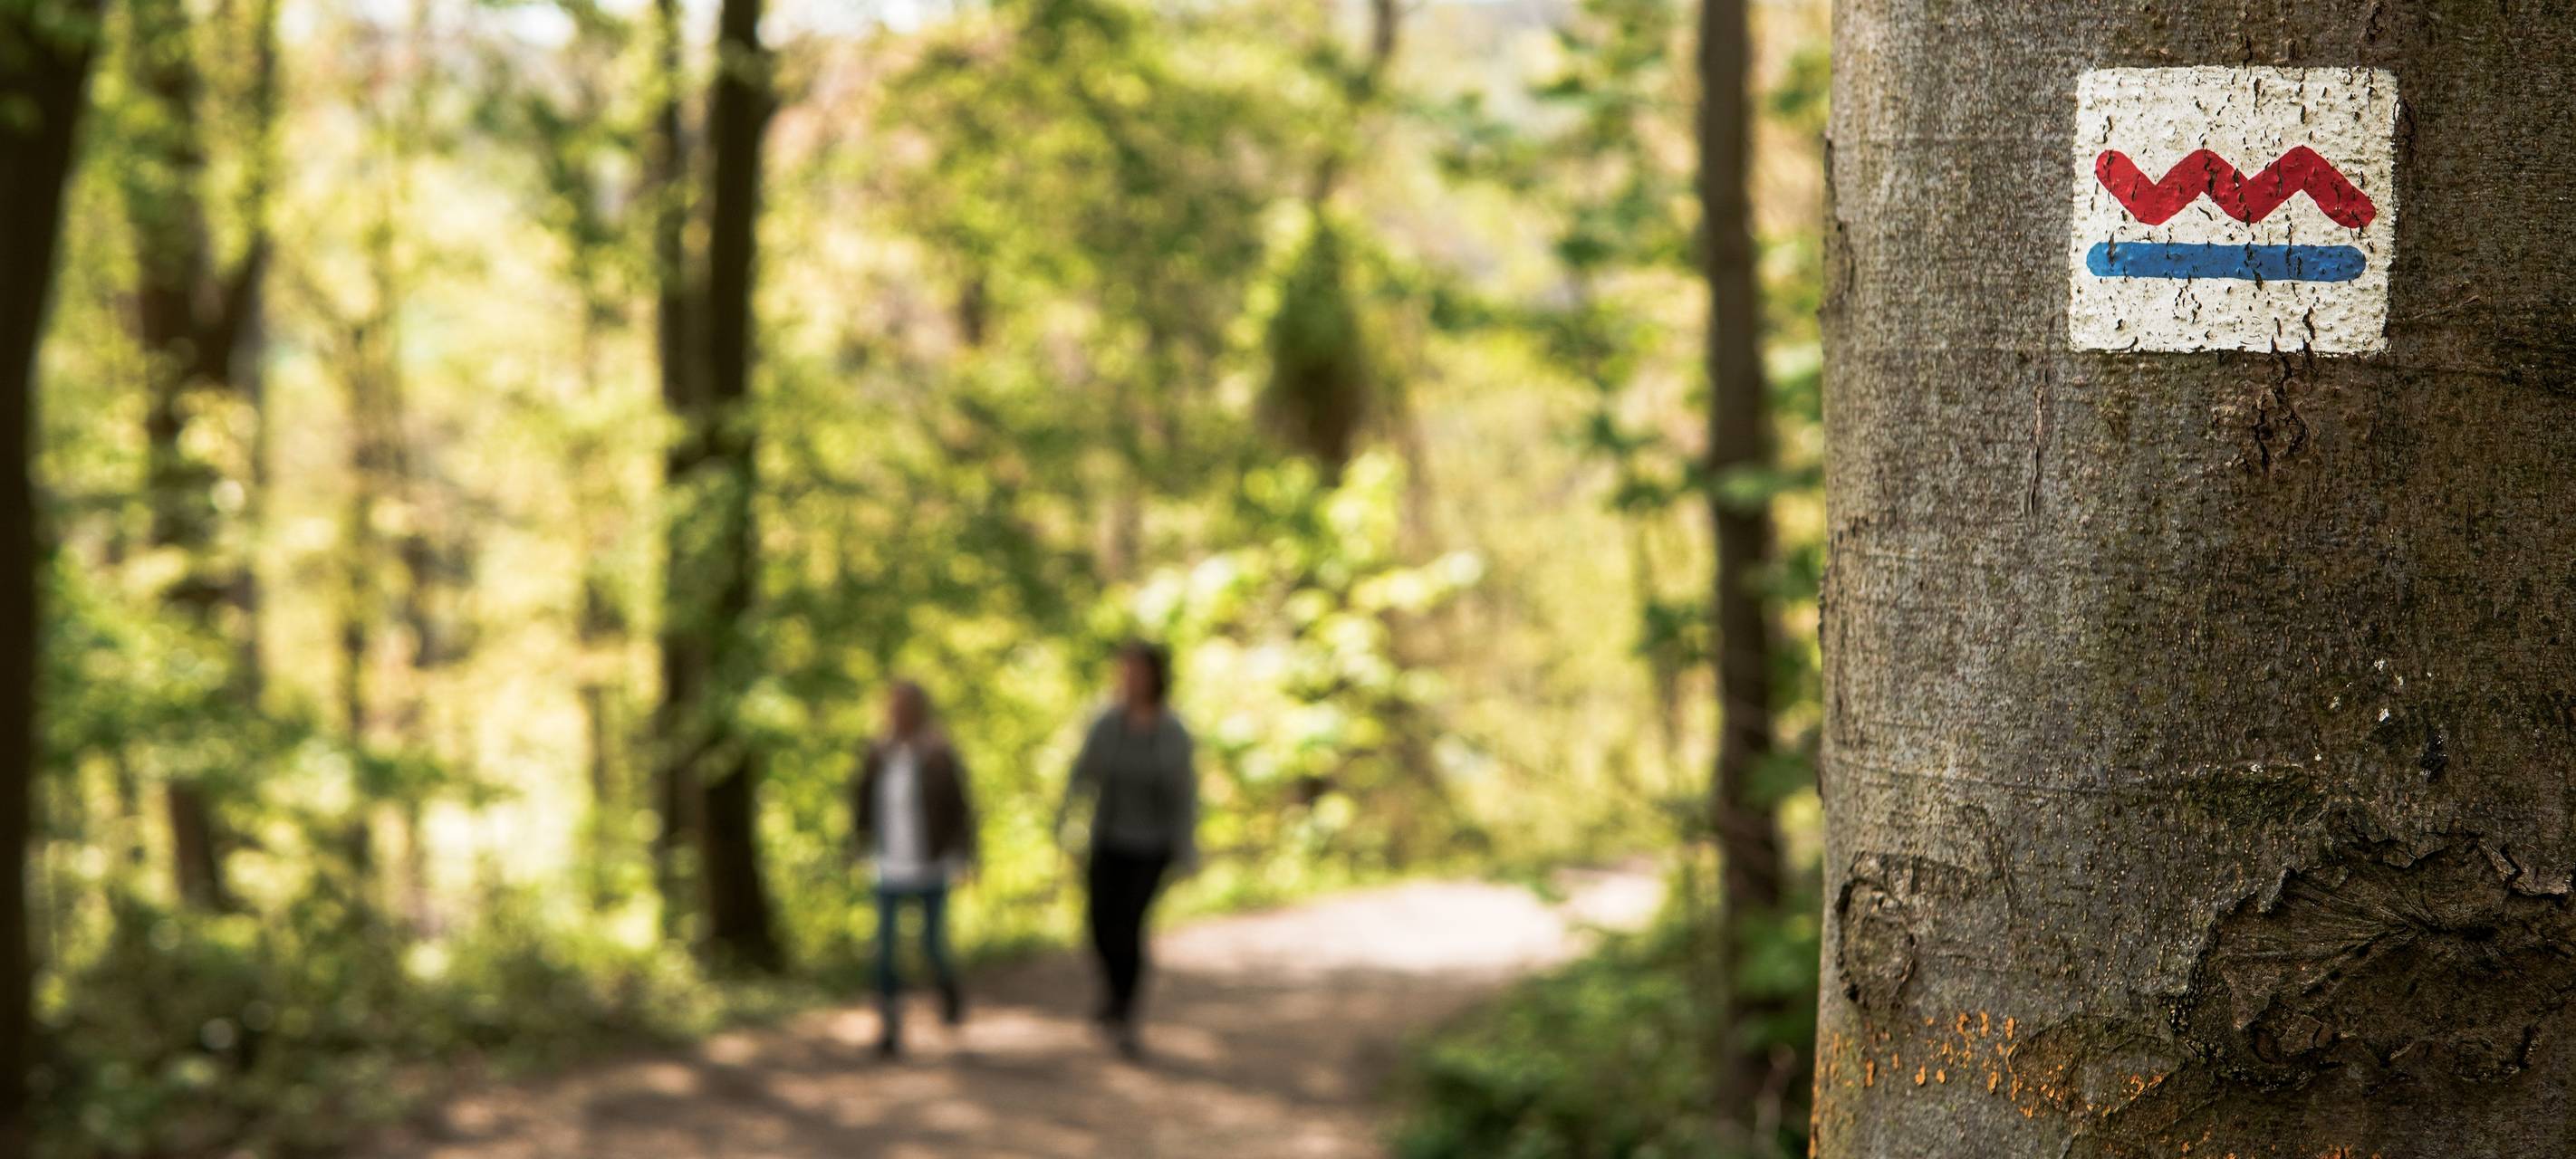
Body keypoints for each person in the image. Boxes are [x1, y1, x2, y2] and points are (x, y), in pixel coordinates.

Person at [1057, 640, 1201, 1059]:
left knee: (1129, 926)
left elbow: (1184, 796)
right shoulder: (1106, 723)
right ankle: (1112, 993)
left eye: (1138, 671)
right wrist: (1065, 820)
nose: (1130, 679)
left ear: (1155, 676)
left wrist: (1186, 848)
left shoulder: (1172, 731)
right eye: (1124, 671)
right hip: (1109, 839)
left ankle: (1125, 1013)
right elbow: (1081, 775)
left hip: (1152, 845)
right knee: (1099, 923)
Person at [851, 680, 978, 1058]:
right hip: (888, 865)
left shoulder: (939, 753)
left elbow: (961, 808)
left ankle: (948, 991)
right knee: (885, 950)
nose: (898, 714)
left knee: (932, 946)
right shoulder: (877, 753)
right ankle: (890, 1026)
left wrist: (965, 854)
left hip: (931, 864)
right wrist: (857, 844)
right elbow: (860, 801)